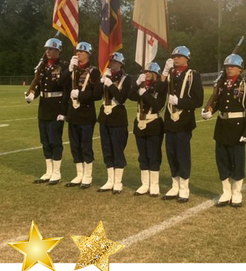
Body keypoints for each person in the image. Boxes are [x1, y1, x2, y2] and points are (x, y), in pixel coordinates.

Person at [201, 54, 246, 208]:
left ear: (240, 69)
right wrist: (209, 111)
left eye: (232, 66)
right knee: (222, 160)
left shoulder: (245, 85)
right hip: (222, 126)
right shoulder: (221, 84)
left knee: (237, 161)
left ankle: (237, 193)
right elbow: (218, 102)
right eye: (227, 66)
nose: (229, 69)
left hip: (238, 127)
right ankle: (226, 192)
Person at [161, 46, 204, 203]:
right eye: (174, 56)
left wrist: (180, 101)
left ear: (187, 58)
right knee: (171, 153)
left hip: (184, 121)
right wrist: (164, 72)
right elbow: (159, 89)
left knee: (182, 154)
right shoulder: (171, 74)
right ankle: (175, 185)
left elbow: (198, 101)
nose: (176, 58)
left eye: (179, 56)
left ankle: (184, 188)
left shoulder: (193, 75)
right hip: (170, 120)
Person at [25, 38, 69, 185]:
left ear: (58, 51)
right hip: (43, 107)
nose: (48, 51)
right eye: (47, 49)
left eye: (51, 49)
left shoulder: (63, 66)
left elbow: (65, 90)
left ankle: (56, 172)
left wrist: (63, 111)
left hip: (56, 107)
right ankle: (48, 171)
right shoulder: (43, 66)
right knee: (45, 141)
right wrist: (33, 94)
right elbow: (40, 85)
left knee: (55, 140)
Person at [60, 41, 101, 188]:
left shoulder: (94, 71)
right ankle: (79, 174)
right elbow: (62, 84)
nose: (78, 54)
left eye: (81, 52)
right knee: (74, 145)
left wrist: (81, 95)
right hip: (73, 113)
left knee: (85, 145)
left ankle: (88, 176)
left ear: (88, 54)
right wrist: (69, 70)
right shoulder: (73, 69)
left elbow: (97, 94)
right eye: (77, 51)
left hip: (85, 113)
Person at [128, 62, 167, 197]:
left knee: (153, 154)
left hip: (153, 122)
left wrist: (145, 94)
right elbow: (131, 96)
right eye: (145, 72)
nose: (147, 74)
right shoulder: (142, 85)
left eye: (150, 72)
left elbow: (157, 105)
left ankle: (154, 184)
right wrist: (137, 84)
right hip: (140, 121)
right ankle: (145, 183)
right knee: (142, 155)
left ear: (156, 74)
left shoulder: (160, 87)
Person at [95, 52, 132, 194]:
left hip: (118, 117)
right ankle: (110, 180)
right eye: (110, 61)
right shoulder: (106, 76)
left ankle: (118, 181)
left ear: (121, 64)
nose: (112, 64)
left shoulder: (126, 79)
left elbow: (122, 98)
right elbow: (97, 95)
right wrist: (101, 80)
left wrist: (110, 85)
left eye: (115, 62)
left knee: (117, 149)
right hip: (104, 116)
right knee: (107, 149)